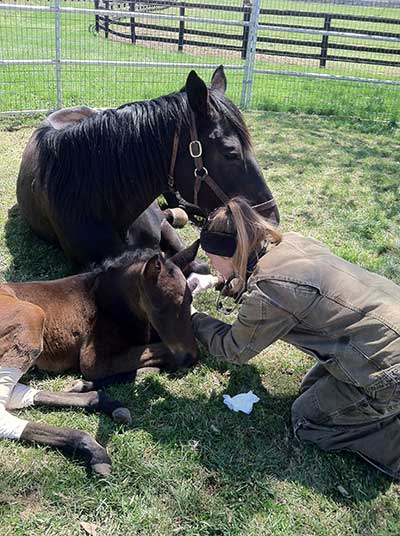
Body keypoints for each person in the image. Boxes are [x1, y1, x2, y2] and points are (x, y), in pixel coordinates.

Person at [187, 196, 400, 479]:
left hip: (389, 371)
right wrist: (218, 282)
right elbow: (267, 287)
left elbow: (234, 348)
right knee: (311, 388)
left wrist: (191, 316)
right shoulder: (288, 243)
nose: (212, 268)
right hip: (382, 336)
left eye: (213, 262)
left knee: (308, 419)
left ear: (229, 255)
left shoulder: (271, 289)